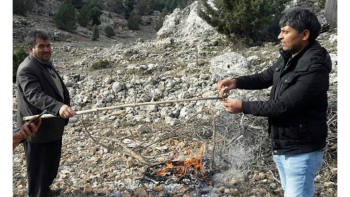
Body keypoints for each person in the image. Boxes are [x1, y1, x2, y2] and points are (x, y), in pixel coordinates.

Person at [217, 8, 331, 197]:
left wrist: (243, 106)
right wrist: (237, 82)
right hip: (284, 147)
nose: (279, 36)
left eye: (286, 32)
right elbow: (265, 77)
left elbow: (282, 106)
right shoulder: (290, 57)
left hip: (301, 150)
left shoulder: (314, 68)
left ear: (304, 34)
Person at [16, 30, 76, 197]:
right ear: (30, 48)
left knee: (50, 167)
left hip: (52, 128)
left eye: (48, 45)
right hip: (37, 130)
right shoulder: (27, 69)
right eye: (41, 46)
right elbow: (35, 95)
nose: (46, 49)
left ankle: (46, 190)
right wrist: (59, 107)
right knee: (38, 171)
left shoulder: (45, 64)